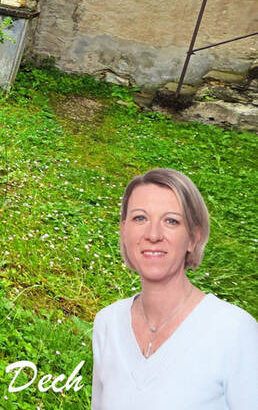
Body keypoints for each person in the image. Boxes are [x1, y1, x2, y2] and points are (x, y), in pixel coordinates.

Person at [92, 168, 258, 409]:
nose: (153, 234)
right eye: (140, 218)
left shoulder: (235, 332)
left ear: (193, 238)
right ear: (124, 230)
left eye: (171, 221)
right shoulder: (107, 323)